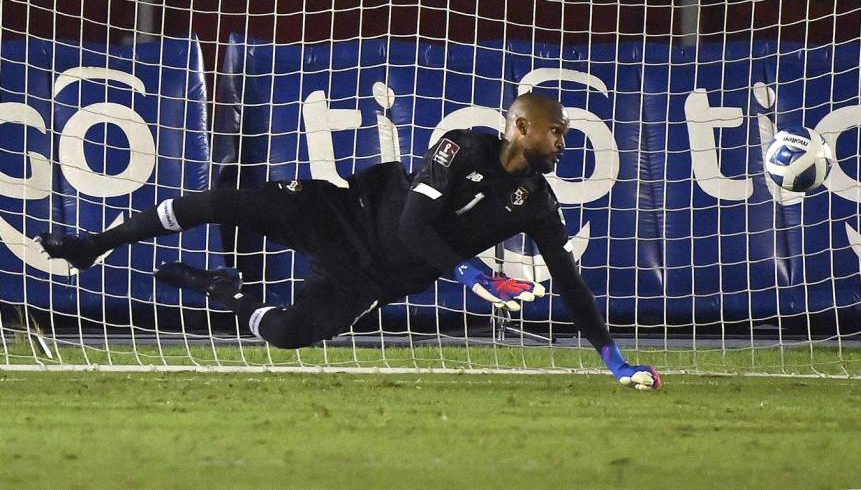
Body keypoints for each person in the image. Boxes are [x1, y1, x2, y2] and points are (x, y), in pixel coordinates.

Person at [39, 93, 661, 390]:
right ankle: (97, 243)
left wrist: (613, 360)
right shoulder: (462, 146)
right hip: (340, 215)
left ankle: (225, 293)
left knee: (286, 335)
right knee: (221, 199)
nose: (563, 143)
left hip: (373, 280)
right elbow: (412, 227)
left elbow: (572, 284)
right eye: (556, 133)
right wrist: (476, 278)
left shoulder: (537, 203)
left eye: (565, 135)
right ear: (522, 127)